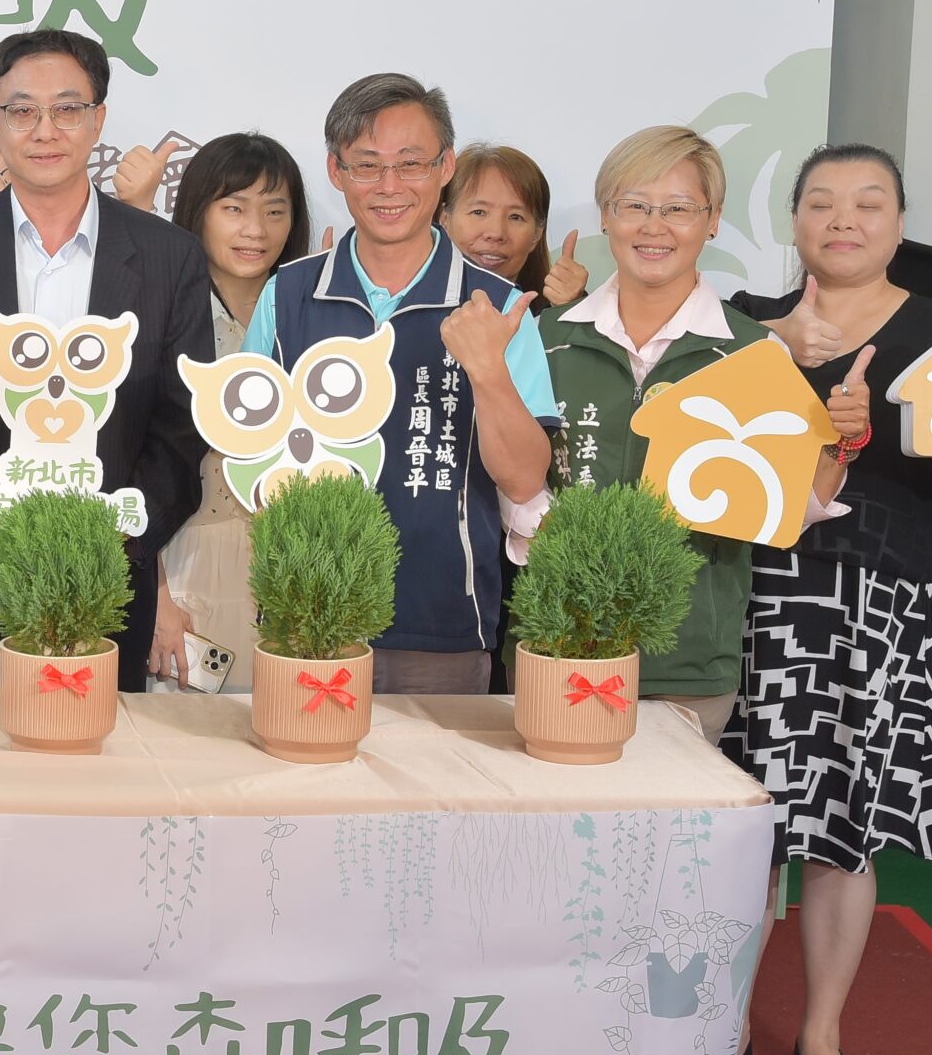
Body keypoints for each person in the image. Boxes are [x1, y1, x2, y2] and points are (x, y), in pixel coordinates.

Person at [729, 145, 932, 1055]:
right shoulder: (745, 325)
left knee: (842, 833)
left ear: (898, 225)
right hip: (755, 600)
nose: (842, 219)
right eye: (820, 201)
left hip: (880, 610)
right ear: (794, 221)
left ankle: (820, 1032)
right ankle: (726, 1023)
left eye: (867, 203)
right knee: (742, 832)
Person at [0, 29, 213, 692]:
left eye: (67, 108)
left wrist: (121, 534)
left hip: (107, 579)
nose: (45, 129)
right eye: (22, 110)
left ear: (98, 119)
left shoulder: (167, 254)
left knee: (95, 758)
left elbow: (184, 425)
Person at [532, 125, 855, 736]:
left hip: (688, 661)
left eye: (679, 208)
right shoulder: (546, 339)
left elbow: (788, 510)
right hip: (555, 646)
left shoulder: (753, 351)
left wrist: (843, 439)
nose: (654, 227)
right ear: (606, 215)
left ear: (712, 221)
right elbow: (512, 479)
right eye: (635, 205)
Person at [246, 74, 559, 695]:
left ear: (445, 167)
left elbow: (526, 481)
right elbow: (249, 451)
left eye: (411, 163)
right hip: (308, 620)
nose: (389, 186)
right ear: (336, 172)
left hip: (441, 622)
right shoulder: (288, 294)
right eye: (367, 165)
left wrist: (487, 369)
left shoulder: (498, 307)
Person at [150, 133, 312, 686]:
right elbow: (130, 463)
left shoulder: (312, 321)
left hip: (294, 568)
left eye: (275, 211)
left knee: (290, 725)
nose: (256, 230)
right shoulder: (163, 320)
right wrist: (156, 597)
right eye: (234, 208)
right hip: (186, 557)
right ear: (198, 212)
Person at [439, 143, 588, 310]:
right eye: (479, 212)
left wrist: (569, 309)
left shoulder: (546, 315)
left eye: (515, 217)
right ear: (445, 220)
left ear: (537, 234)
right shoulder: (415, 305)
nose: (496, 233)